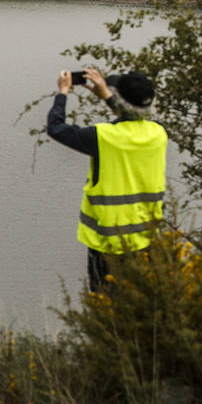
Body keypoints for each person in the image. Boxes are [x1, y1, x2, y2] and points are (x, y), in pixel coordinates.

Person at [47, 67, 167, 292]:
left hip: (107, 246)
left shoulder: (103, 137)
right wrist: (107, 97)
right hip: (146, 242)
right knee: (141, 308)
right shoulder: (159, 133)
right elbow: (134, 116)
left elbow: (56, 128)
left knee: (107, 311)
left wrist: (63, 93)